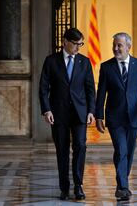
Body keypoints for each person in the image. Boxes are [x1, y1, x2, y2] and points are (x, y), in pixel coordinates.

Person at [95, 32, 137, 201]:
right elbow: (101, 94)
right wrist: (99, 116)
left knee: (128, 151)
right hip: (115, 118)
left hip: (134, 117)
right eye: (114, 45)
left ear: (129, 47)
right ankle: (122, 187)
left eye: (119, 45)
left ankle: (123, 181)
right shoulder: (106, 67)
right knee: (121, 150)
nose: (115, 48)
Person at [39, 28, 96, 201]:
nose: (79, 47)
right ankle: (64, 187)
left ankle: (78, 186)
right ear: (66, 42)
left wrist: (91, 111)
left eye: (81, 44)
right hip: (58, 113)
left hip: (80, 114)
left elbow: (90, 90)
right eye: (76, 44)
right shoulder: (51, 61)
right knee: (62, 150)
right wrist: (46, 109)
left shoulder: (84, 62)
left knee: (80, 146)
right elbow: (43, 88)